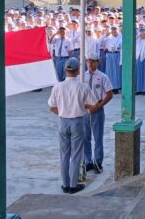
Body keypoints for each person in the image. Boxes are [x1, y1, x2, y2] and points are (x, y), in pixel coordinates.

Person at [48, 58, 97, 194]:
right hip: (77, 121)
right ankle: (73, 185)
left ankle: (65, 184)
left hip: (63, 121)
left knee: (64, 154)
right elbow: (93, 104)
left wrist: (63, 112)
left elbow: (52, 107)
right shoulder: (83, 87)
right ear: (77, 71)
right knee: (76, 154)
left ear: (65, 70)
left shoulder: (57, 86)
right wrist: (83, 108)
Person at [82, 53, 113, 174]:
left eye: (92, 61)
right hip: (85, 110)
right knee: (85, 137)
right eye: (88, 61)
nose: (90, 63)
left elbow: (109, 94)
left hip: (97, 109)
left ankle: (98, 162)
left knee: (98, 137)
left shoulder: (102, 77)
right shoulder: (82, 76)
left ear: (97, 62)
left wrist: (98, 106)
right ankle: (88, 161)